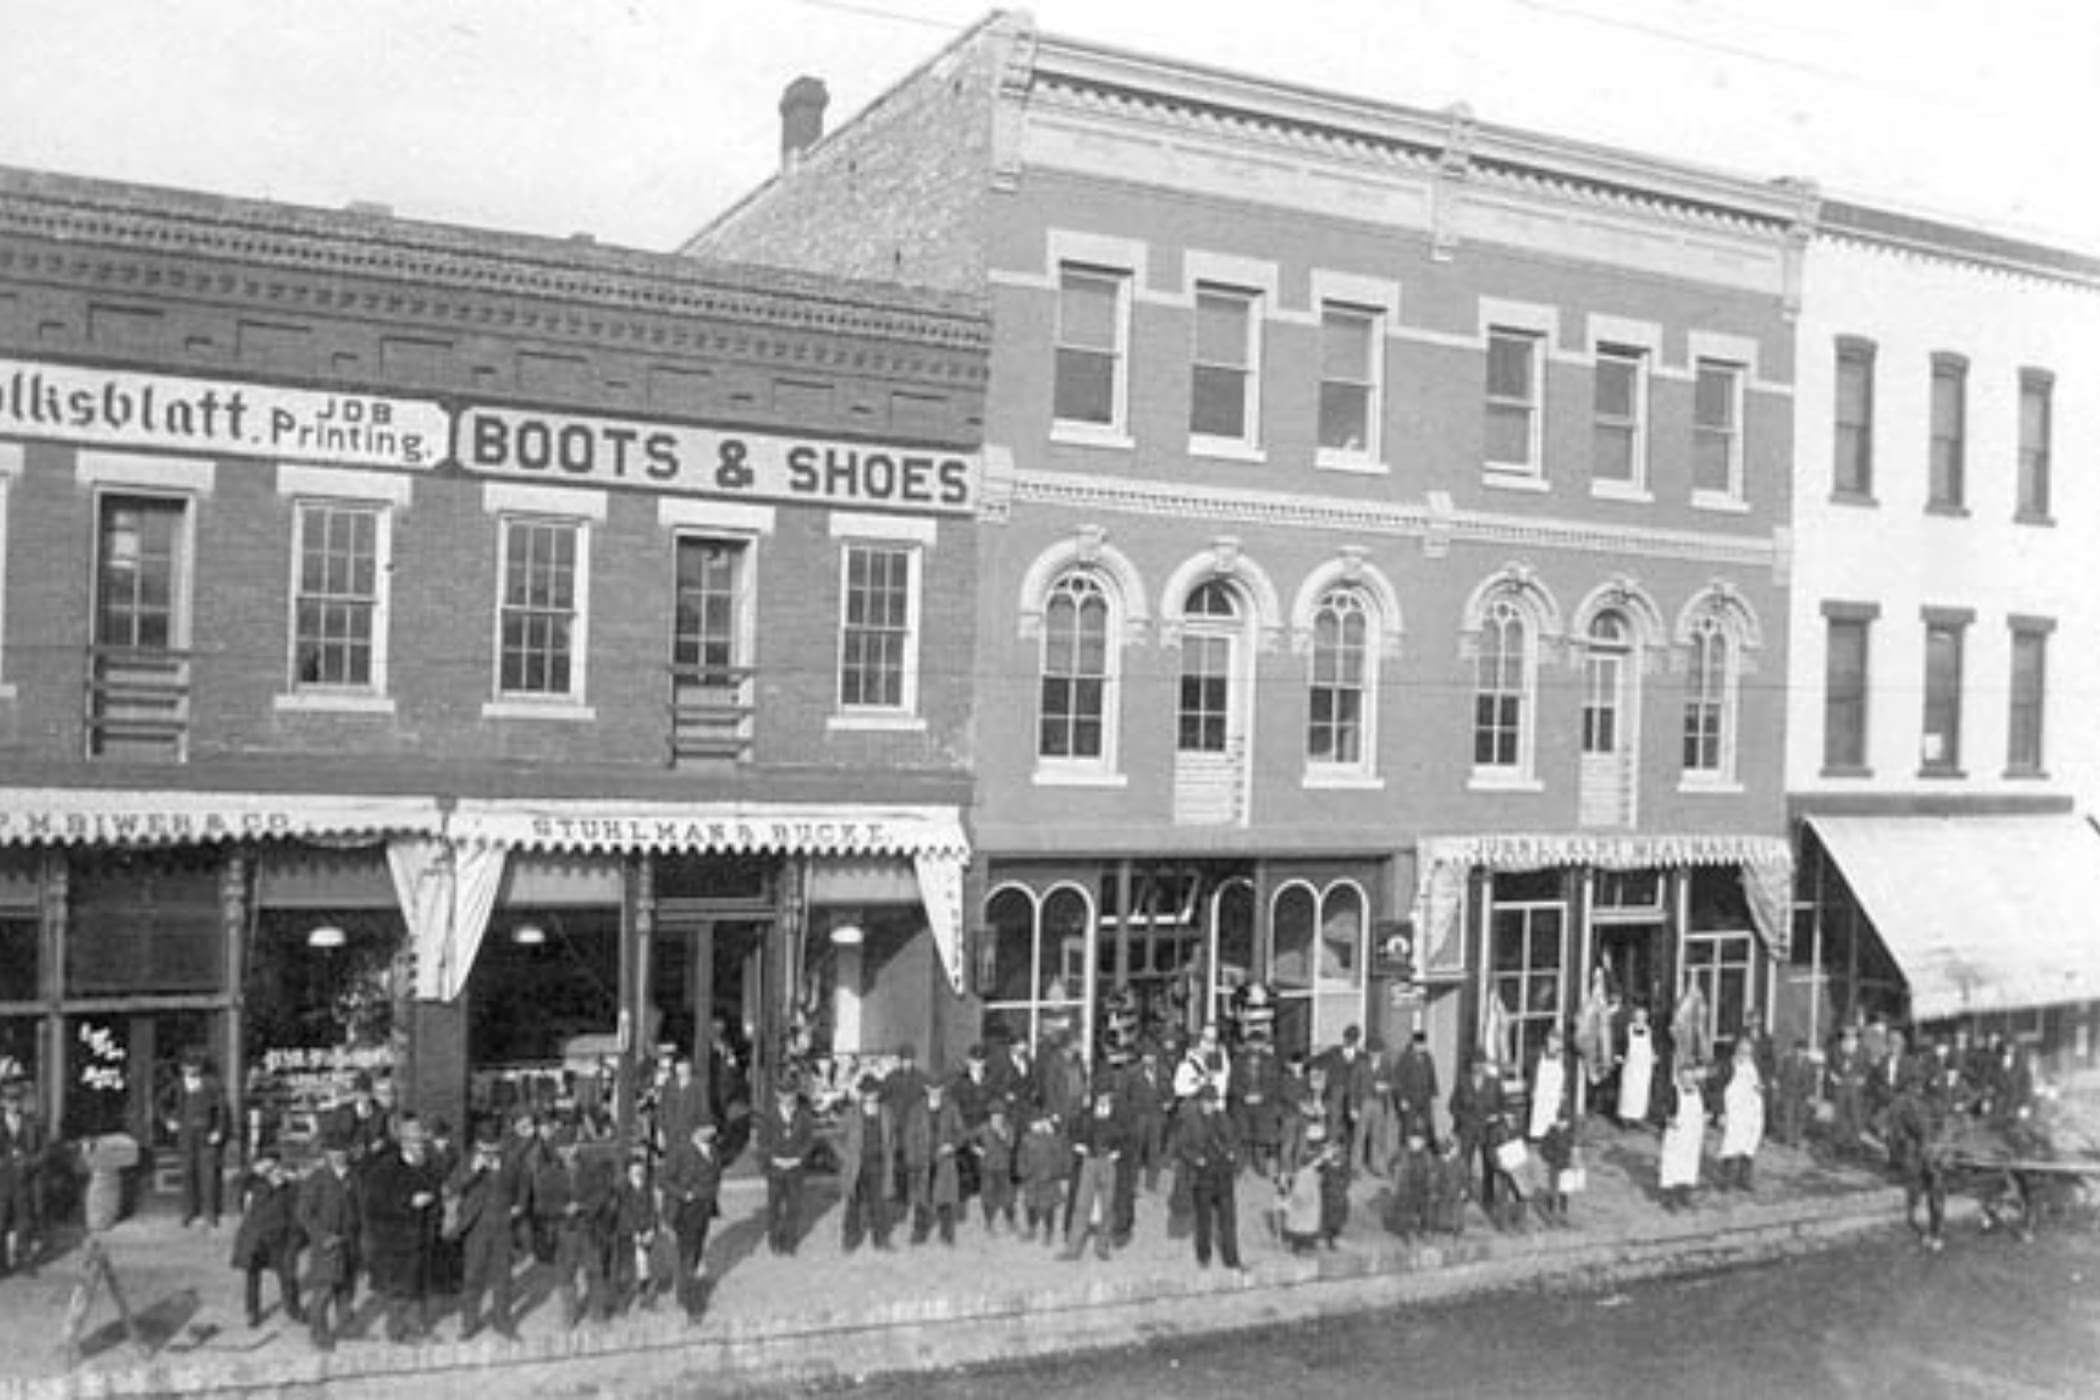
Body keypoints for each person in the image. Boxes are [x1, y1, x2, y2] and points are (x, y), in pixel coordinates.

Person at [363, 1112, 443, 1344]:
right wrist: (408, 1202)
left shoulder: (429, 1166)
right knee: (400, 1289)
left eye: (422, 1140)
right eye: (416, 1140)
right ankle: (398, 1332)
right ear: (403, 1142)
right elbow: (374, 1204)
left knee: (418, 1287)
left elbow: (437, 1194)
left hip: (422, 1239)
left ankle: (416, 1328)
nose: (421, 1145)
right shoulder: (385, 1169)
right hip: (395, 1241)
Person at [534, 1124, 614, 1328]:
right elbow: (541, 1204)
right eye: (562, 1149)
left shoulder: (592, 1167)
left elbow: (603, 1193)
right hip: (564, 1230)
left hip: (589, 1227)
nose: (567, 1153)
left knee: (595, 1270)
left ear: (577, 1146)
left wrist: (584, 1206)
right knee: (565, 1274)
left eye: (570, 1147)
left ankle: (598, 1313)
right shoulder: (548, 1173)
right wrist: (561, 1209)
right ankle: (570, 1313)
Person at [445, 1120, 518, 1342]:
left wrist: (517, 1207)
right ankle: (469, 1323)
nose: (488, 1154)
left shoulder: (509, 1161)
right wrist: (472, 1171)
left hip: (502, 1226)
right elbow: (452, 1186)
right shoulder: (468, 1160)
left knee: (503, 1277)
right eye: (484, 1149)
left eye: (493, 1148)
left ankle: (502, 1321)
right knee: (473, 1276)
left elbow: (521, 1185)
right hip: (476, 1227)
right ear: (477, 1145)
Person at [296, 1133, 361, 1352]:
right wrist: (322, 1236)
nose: (339, 1156)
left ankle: (345, 1327)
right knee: (323, 1290)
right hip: (328, 1244)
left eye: (343, 1151)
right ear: (327, 1155)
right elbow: (304, 1213)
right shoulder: (317, 1179)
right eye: (334, 1152)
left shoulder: (353, 1177)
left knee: (346, 1288)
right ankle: (319, 1333)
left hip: (350, 1240)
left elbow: (360, 1208)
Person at [229, 1145, 303, 1329]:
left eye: (275, 1166)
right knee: (252, 1276)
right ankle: (252, 1312)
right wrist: (253, 1171)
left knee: (287, 1275)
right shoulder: (255, 1181)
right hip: (257, 1236)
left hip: (281, 1236)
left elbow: (301, 1202)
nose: (273, 1171)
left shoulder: (288, 1185)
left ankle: (293, 1308)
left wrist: (291, 1181)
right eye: (268, 1167)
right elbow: (235, 1182)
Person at [1173, 1082, 1244, 1271]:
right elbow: (1181, 1147)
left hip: (1223, 1175)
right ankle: (1203, 1256)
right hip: (1203, 1176)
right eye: (1205, 1102)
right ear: (1199, 1102)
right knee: (1204, 1220)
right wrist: (1196, 1159)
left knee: (1228, 1219)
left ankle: (1232, 1258)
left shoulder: (1223, 1119)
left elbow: (1234, 1141)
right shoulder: (1190, 1121)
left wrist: (1232, 1154)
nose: (1208, 1106)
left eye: (1212, 1102)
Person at [661, 1119, 723, 1318]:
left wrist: (712, 1196)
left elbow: (716, 1175)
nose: (712, 1130)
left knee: (696, 1249)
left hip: (703, 1207)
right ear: (697, 1130)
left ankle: (685, 1290)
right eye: (708, 1126)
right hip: (685, 1209)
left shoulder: (713, 1151)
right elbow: (663, 1179)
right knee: (686, 1253)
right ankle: (693, 1305)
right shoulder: (681, 1151)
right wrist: (683, 1194)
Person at [1063, 1079, 1125, 1261]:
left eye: (1106, 1095)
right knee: (1082, 1205)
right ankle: (1073, 1249)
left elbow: (1128, 1136)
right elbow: (1073, 1132)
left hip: (1108, 1161)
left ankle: (1102, 1248)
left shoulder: (1118, 1115)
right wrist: (1078, 1145)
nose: (1104, 1099)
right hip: (1089, 1161)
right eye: (1100, 1096)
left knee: (1107, 1206)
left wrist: (1118, 1151)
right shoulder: (1085, 1115)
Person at [164, 1054, 228, 1230]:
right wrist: (169, 1120)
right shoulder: (177, 1086)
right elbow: (162, 1104)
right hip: (185, 1134)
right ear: (182, 1068)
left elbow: (222, 1109)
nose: (191, 1069)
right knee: (187, 1172)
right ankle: (188, 1213)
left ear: (201, 1068)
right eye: (188, 1066)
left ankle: (209, 1213)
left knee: (208, 1174)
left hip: (206, 1134)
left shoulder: (212, 1084)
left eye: (195, 1066)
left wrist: (218, 1130)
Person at [1886, 1074, 1947, 1251]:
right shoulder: (1901, 1104)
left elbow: (1939, 1122)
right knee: (1917, 1189)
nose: (1918, 1090)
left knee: (1935, 1188)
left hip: (1928, 1152)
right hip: (1914, 1152)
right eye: (1914, 1087)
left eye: (1920, 1087)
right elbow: (1895, 1129)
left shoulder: (1929, 1102)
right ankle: (1924, 1224)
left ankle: (1936, 1232)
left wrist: (1934, 1142)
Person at [837, 1076, 898, 1253]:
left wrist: (890, 1155)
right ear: (862, 1093)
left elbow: (892, 1138)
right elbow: (838, 1136)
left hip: (879, 1164)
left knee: (879, 1204)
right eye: (867, 1091)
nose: (870, 1095)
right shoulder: (851, 1113)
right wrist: (846, 1157)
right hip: (857, 1164)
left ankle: (881, 1240)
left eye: (873, 1091)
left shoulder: (887, 1112)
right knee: (853, 1203)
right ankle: (849, 1240)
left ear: (878, 1092)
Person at [1448, 1051, 1508, 1222]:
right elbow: (1452, 1106)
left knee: (1489, 1165)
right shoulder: (1463, 1081)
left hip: (1488, 1131)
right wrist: (1462, 1118)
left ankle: (1488, 1199)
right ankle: (1464, 1194)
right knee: (1464, 1163)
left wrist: (1496, 1116)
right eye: (1475, 1064)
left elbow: (1503, 1105)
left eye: (1482, 1064)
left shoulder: (1494, 1083)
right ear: (1471, 1066)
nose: (1479, 1067)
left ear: (1486, 1066)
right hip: (1467, 1130)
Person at [756, 1076, 813, 1256]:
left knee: (793, 1207)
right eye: (784, 1094)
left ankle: (789, 1242)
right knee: (774, 1208)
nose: (788, 1098)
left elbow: (809, 1140)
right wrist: (774, 1159)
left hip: (795, 1169)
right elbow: (762, 1142)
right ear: (777, 1095)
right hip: (776, 1169)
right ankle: (774, 1241)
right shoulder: (768, 1116)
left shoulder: (804, 1116)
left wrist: (799, 1158)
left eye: (791, 1094)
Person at [906, 1078, 966, 1246]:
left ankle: (947, 1235)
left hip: (944, 1160)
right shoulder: (916, 1109)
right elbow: (909, 1136)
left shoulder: (952, 1107)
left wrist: (952, 1145)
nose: (935, 1091)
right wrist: (912, 1160)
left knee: (945, 1199)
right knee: (921, 1199)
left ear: (943, 1088)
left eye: (938, 1088)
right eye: (932, 1088)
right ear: (926, 1088)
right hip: (922, 1160)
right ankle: (919, 1233)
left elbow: (961, 1132)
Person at [610, 1152, 672, 1313]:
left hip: (647, 1232)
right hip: (628, 1234)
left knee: (649, 1268)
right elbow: (623, 1212)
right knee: (627, 1271)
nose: (638, 1171)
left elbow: (653, 1210)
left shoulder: (647, 1187)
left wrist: (651, 1228)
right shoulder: (621, 1188)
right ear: (628, 1170)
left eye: (641, 1168)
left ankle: (648, 1300)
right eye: (635, 1168)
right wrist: (634, 1232)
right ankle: (622, 1303)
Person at [0, 1086, 42, 1276]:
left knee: (24, 1221)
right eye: (9, 1100)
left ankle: (25, 1261)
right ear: (2, 1102)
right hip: (2, 1178)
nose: (13, 1104)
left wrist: (30, 1163)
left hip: (24, 1179)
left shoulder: (32, 1123)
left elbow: (45, 1149)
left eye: (16, 1100)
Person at [1717, 1037, 1766, 1192]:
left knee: (1749, 1145)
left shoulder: (1753, 1066)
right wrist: (1721, 1112)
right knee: (1730, 1145)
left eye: (1748, 1050)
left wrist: (1759, 1088)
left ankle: (1744, 1179)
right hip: (1734, 1110)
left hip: (1751, 1111)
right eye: (1742, 1049)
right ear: (1737, 1049)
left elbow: (1756, 1084)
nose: (1745, 1053)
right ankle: (1725, 1181)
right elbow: (1718, 1089)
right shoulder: (1728, 1066)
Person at [1659, 1059, 1705, 1211]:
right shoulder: (1673, 1091)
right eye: (1684, 1078)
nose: (1687, 1081)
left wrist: (1710, 1114)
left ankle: (1686, 1195)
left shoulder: (1700, 1091)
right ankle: (1669, 1198)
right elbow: (1661, 1107)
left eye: (1690, 1078)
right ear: (1679, 1078)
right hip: (1677, 1136)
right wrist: (1667, 1118)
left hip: (1692, 1136)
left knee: (1690, 1165)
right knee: (1672, 1165)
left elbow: (1708, 1108)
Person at [1018, 1109, 1069, 1247]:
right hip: (1031, 1180)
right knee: (1030, 1206)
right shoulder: (1026, 1139)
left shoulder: (1053, 1139)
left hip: (1048, 1180)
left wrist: (1053, 1173)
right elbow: (1021, 1157)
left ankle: (1049, 1232)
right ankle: (1031, 1229)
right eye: (1034, 1123)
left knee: (1048, 1208)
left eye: (1040, 1123)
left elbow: (1061, 1158)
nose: (1037, 1126)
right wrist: (1023, 1171)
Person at [970, 1098, 1019, 1235]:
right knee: (988, 1196)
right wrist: (976, 1149)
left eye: (1000, 1115)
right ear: (990, 1116)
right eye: (994, 1115)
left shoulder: (1008, 1128)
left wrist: (1002, 1134)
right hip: (987, 1167)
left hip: (1003, 1167)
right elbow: (970, 1140)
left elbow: (1011, 1144)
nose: (997, 1119)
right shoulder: (983, 1128)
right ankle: (989, 1223)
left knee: (1008, 1197)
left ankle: (1011, 1221)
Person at [1385, 1122, 1435, 1240]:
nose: (1416, 1143)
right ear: (1409, 1140)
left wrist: (1431, 1185)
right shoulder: (1402, 1152)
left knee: (1427, 1208)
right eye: (1413, 1140)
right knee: (1405, 1208)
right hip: (1406, 1186)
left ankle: (1426, 1229)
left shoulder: (1427, 1154)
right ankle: (1405, 1231)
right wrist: (1395, 1175)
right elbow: (1391, 1165)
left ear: (1423, 1142)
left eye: (1419, 1140)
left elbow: (1432, 1170)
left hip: (1422, 1186)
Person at [1393, 1030, 1441, 1152]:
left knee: (1426, 1126)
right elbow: (1397, 1081)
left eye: (1423, 1044)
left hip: (1425, 1098)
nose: (1421, 1047)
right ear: (1413, 1043)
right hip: (1410, 1098)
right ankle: (1405, 1156)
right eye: (1418, 1044)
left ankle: (1424, 1156)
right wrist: (1402, 1099)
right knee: (1408, 1128)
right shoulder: (1405, 1057)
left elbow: (1432, 1076)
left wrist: (1434, 1094)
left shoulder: (1428, 1057)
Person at [657, 1055, 710, 1160]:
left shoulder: (698, 1085)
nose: (682, 1068)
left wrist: (702, 1130)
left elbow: (704, 1108)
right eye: (680, 1065)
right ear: (675, 1067)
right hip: (671, 1133)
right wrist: (660, 1131)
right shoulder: (669, 1085)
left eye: (685, 1065)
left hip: (692, 1131)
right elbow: (661, 1109)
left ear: (690, 1067)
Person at [1829, 1023, 1869, 1155]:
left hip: (1855, 1086)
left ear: (1856, 1035)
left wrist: (1863, 1078)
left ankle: (1855, 1145)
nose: (1849, 1036)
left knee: (1855, 1116)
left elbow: (1867, 1067)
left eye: (1852, 1033)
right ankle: (1838, 1143)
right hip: (1840, 1085)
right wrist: (1832, 1076)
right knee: (1839, 1116)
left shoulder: (1862, 1049)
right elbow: (1829, 1065)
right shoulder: (1836, 1048)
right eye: (1847, 1034)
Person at [1617, 1005, 1656, 1128]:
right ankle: (1625, 1118)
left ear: (1646, 1018)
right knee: (1628, 1091)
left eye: (1643, 1016)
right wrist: (1620, 1056)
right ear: (1634, 1017)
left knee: (1642, 1091)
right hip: (1631, 1065)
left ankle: (1638, 1117)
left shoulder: (1649, 1031)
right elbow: (1621, 1045)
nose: (1640, 1018)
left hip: (1644, 1066)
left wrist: (1654, 1056)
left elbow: (1652, 1047)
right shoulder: (1628, 1030)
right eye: (1638, 1016)